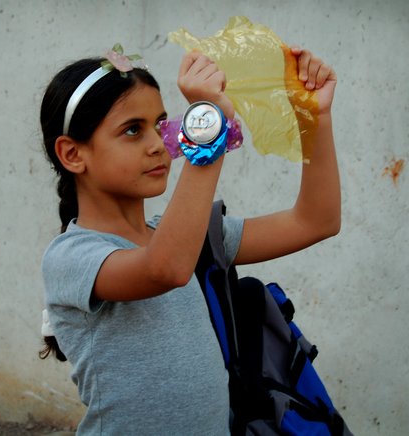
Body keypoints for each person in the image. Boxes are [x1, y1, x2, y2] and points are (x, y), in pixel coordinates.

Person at [38, 44, 339, 435]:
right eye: (132, 130)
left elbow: (316, 220)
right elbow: (166, 268)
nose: (156, 144)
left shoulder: (194, 236)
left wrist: (315, 115)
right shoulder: (70, 257)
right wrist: (210, 124)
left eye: (160, 124)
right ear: (73, 154)